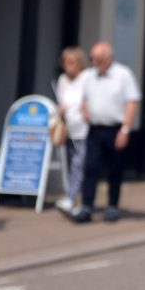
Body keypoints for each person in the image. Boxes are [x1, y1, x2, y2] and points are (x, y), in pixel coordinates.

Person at [75, 41, 141, 223]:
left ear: (108, 58)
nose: (94, 63)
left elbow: (132, 102)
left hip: (115, 128)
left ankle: (112, 205)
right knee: (90, 167)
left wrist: (125, 129)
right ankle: (86, 205)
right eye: (92, 59)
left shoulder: (123, 75)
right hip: (95, 129)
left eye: (98, 59)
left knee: (115, 168)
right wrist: (84, 109)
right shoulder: (89, 76)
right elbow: (83, 97)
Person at [54, 47, 88, 214]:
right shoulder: (63, 80)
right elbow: (62, 101)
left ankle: (72, 197)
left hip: (84, 129)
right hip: (69, 130)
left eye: (72, 62)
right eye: (65, 62)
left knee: (79, 164)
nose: (68, 66)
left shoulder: (87, 79)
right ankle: (74, 197)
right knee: (73, 164)